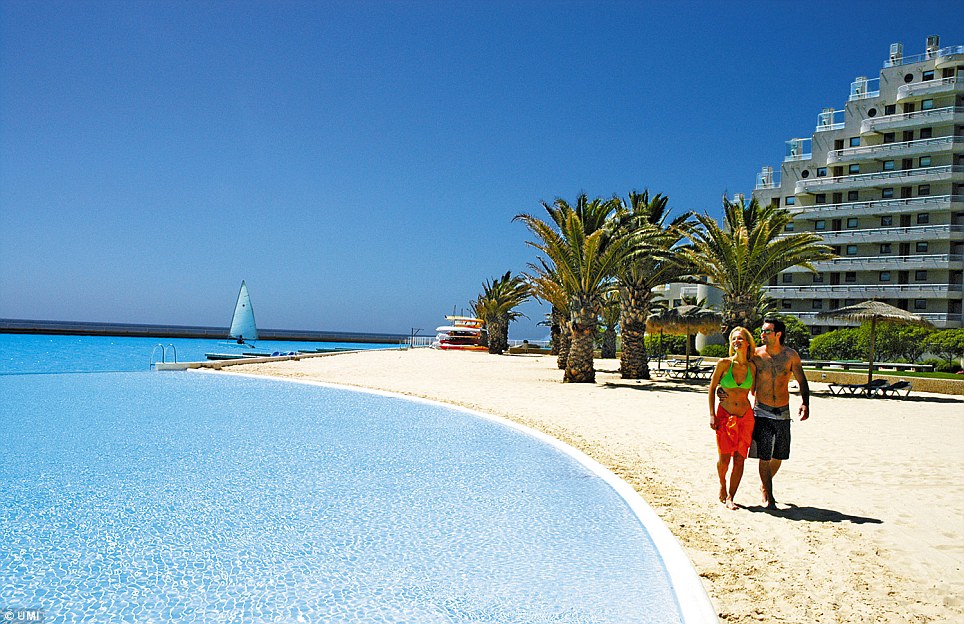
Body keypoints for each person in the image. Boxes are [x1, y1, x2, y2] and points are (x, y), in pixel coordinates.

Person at [751, 317, 810, 510]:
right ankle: (769, 495)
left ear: (778, 334)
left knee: (779, 456)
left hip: (783, 412)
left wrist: (805, 403)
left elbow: (802, 380)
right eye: (762, 331)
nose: (763, 334)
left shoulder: (790, 355)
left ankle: (764, 484)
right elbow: (739, 373)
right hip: (762, 410)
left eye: (767, 331)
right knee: (764, 456)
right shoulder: (756, 354)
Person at [708, 326, 757, 510]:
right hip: (724, 416)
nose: (737, 342)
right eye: (734, 339)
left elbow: (756, 390)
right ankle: (722, 483)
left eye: (740, 339)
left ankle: (731, 496)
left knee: (740, 458)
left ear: (747, 342)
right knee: (724, 458)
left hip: (746, 417)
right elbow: (712, 388)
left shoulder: (753, 366)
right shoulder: (724, 363)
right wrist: (712, 414)